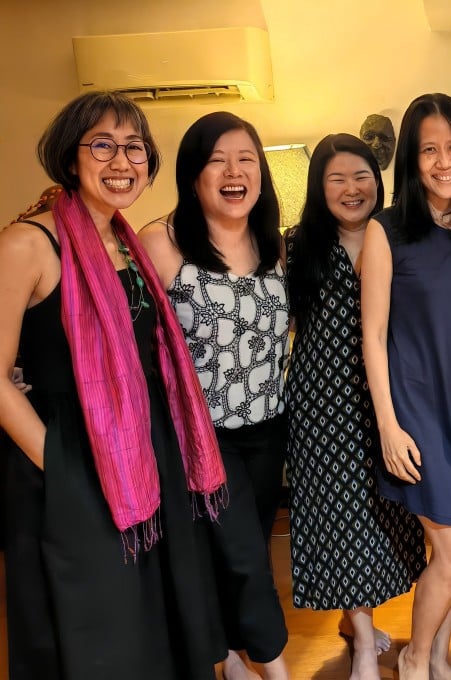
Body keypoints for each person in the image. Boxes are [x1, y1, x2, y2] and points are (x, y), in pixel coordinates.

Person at [0, 91, 227, 678]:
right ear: (69, 158)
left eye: (134, 148)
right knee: (93, 621)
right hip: (66, 457)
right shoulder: (29, 244)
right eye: (102, 145)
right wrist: (62, 465)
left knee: (150, 614)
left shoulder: (130, 246)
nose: (121, 162)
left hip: (140, 455)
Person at [139, 111, 290, 680]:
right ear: (193, 174)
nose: (233, 172)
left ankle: (225, 653)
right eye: (217, 160)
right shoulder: (162, 242)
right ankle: (274, 669)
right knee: (250, 559)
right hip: (201, 435)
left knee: (233, 552)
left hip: (267, 430)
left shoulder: (274, 243)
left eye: (246, 159)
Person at [360, 93, 451, 680]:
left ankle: (441, 655)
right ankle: (415, 659)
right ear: (411, 161)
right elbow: (371, 336)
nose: (442, 161)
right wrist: (388, 426)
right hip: (415, 411)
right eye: (427, 150)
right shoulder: (387, 230)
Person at [285, 133, 426, 680]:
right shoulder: (296, 245)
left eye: (361, 175)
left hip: (385, 399)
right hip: (322, 402)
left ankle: (355, 620)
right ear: (320, 188)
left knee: (377, 515)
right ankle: (365, 645)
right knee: (337, 517)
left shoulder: (394, 236)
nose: (351, 188)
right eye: (336, 178)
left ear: (379, 180)